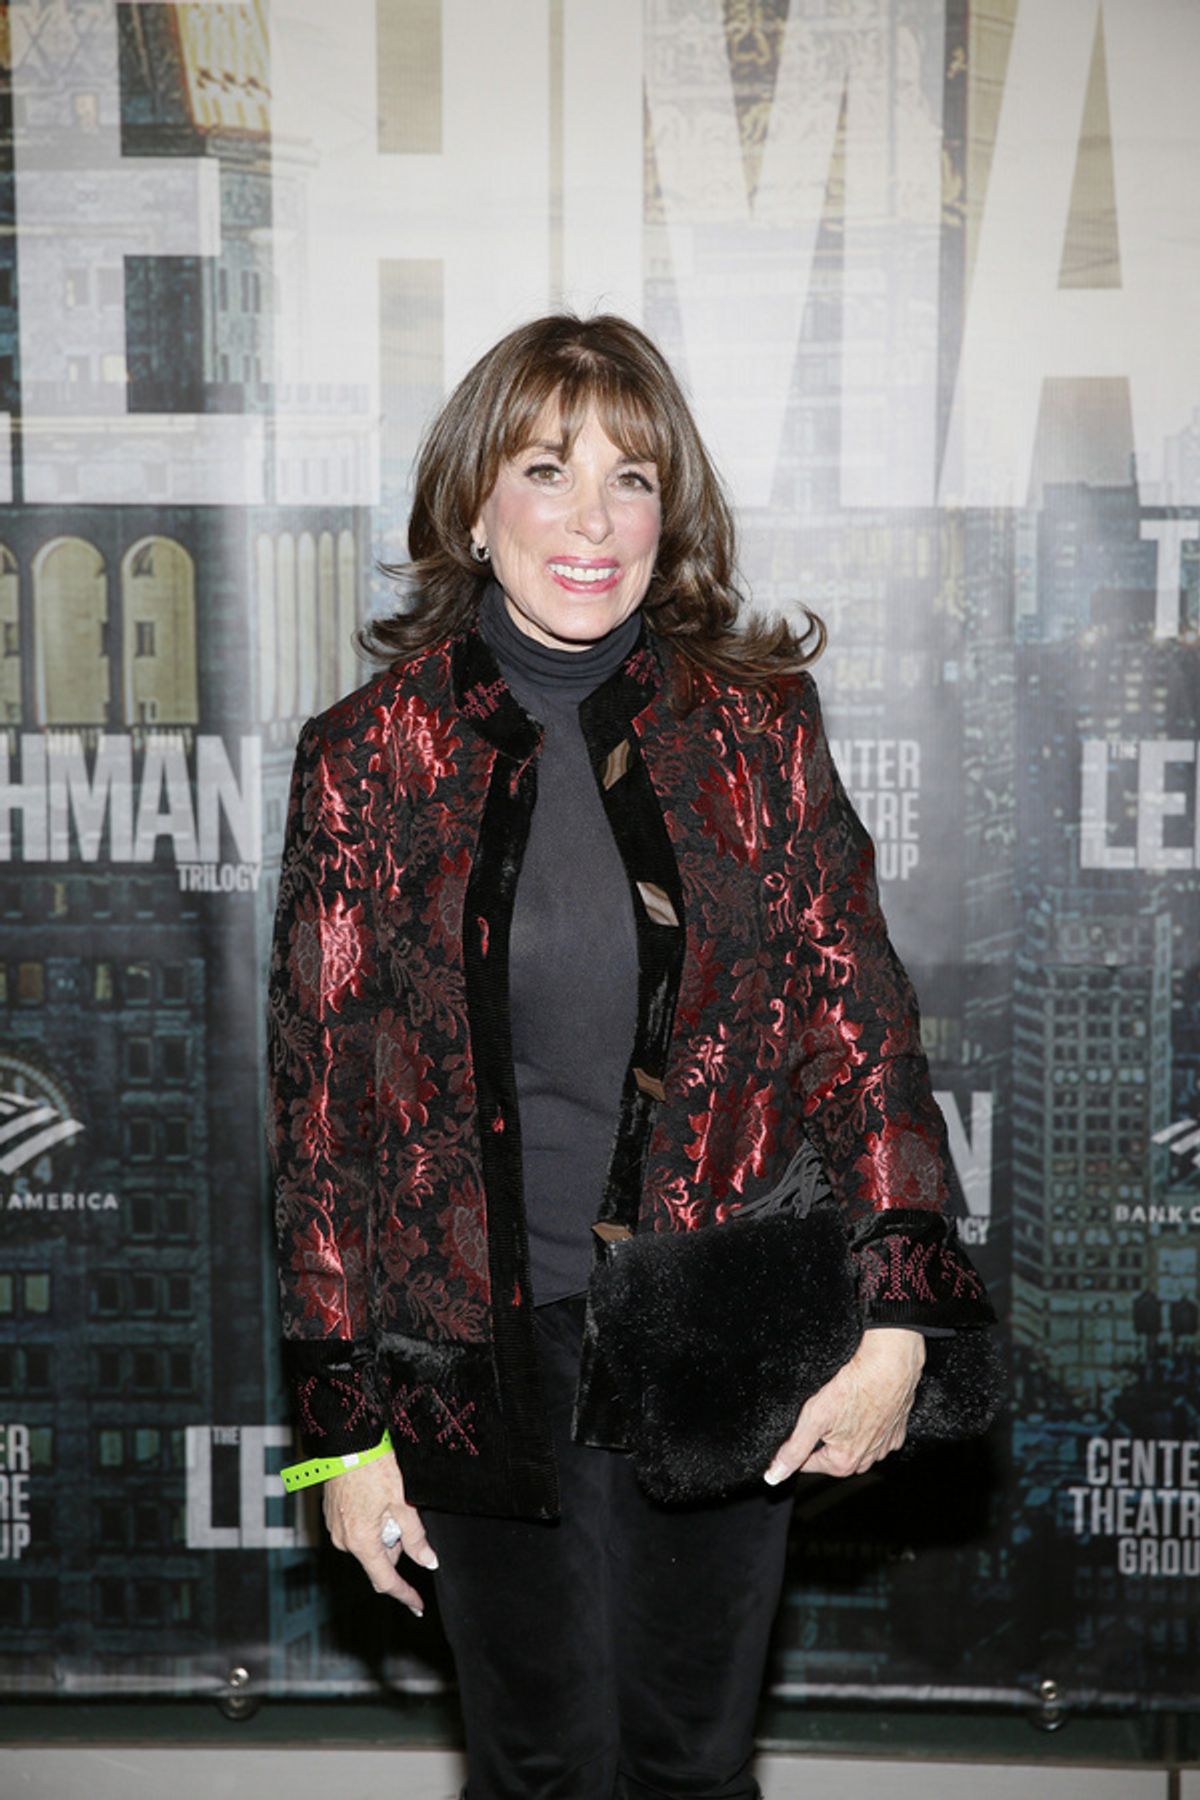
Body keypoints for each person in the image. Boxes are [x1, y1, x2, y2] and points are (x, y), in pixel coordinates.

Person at [267, 312, 994, 1798]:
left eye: (632, 479)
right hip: (469, 1348)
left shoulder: (757, 733)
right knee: (537, 1763)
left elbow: (861, 1029)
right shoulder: (368, 758)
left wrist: (901, 1321)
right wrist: (344, 1438)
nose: (593, 522)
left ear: (673, 517)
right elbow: (319, 1114)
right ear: (476, 507)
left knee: (691, 1761)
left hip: (718, 1328)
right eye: (548, 471)